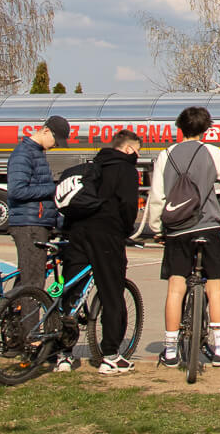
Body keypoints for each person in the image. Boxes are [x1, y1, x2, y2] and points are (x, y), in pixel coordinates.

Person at [146, 106, 220, 368]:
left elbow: (157, 196)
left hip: (177, 229)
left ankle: (170, 350)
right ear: (206, 129)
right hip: (208, 226)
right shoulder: (212, 152)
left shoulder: (165, 155)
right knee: (214, 286)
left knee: (176, 287)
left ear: (180, 127)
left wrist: (157, 228)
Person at [59, 129, 142, 375]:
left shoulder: (92, 166)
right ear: (128, 149)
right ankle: (110, 356)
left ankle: (63, 353)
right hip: (107, 233)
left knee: (71, 291)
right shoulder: (126, 169)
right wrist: (126, 230)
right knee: (111, 293)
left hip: (76, 231)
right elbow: (128, 205)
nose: (137, 156)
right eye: (137, 151)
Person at [7, 115, 70, 294]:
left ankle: (13, 311)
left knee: (27, 279)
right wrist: (52, 189)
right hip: (29, 225)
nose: (55, 146)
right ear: (46, 131)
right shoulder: (24, 153)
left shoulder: (36, 152)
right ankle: (27, 314)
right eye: (56, 141)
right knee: (33, 283)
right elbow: (16, 190)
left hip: (36, 221)